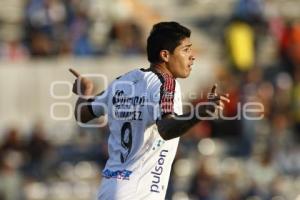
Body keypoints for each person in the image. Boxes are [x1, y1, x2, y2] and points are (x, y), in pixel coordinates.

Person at [70, 21, 230, 200]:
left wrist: (85, 93)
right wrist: (200, 112)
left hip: (109, 189)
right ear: (165, 55)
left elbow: (82, 113)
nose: (192, 57)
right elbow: (166, 128)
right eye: (186, 50)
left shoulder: (123, 82)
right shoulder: (166, 83)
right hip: (139, 193)